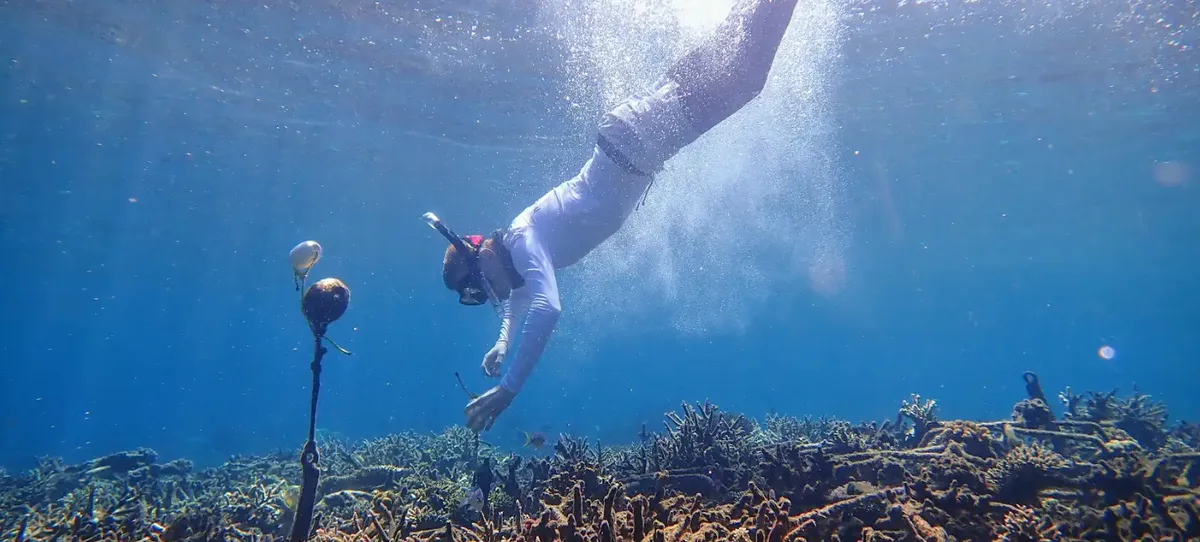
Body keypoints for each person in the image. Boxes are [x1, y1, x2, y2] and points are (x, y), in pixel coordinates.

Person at [427, 0, 801, 433]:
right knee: (719, 61)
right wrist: (502, 341)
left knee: (745, 80)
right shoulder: (515, 249)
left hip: (642, 139)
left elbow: (547, 309)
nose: (489, 295)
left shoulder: (524, 240)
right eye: (479, 296)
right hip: (633, 137)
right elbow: (518, 298)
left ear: (481, 256)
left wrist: (510, 387)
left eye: (478, 287)